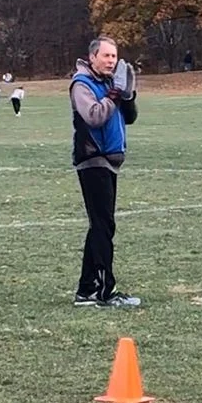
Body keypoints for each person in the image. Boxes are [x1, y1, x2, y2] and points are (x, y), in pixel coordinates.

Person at [70, 35, 141, 308]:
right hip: (93, 160)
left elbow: (130, 118)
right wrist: (113, 96)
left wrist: (128, 95)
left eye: (114, 56)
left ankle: (86, 289)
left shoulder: (111, 83)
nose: (111, 61)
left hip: (110, 161)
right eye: (106, 56)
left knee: (100, 226)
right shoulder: (82, 84)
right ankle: (105, 291)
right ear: (93, 57)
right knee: (103, 226)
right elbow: (95, 116)